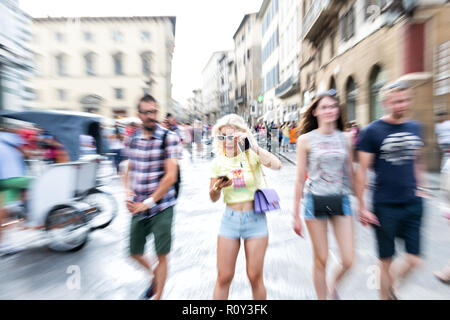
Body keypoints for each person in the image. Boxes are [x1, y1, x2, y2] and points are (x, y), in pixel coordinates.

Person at [356, 81, 426, 300]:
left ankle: (388, 287)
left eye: (405, 100)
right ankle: (385, 294)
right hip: (385, 205)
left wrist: (421, 187)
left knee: (414, 260)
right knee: (386, 260)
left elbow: (417, 160)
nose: (401, 105)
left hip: (413, 203)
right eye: (396, 101)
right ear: (386, 102)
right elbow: (362, 172)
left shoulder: (415, 127)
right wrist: (362, 207)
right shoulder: (371, 132)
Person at [209, 114, 282, 300]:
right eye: (222, 136)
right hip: (230, 220)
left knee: (255, 276)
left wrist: (253, 146)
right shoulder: (218, 161)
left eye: (231, 135)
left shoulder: (252, 154)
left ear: (241, 135)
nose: (227, 140)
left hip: (255, 220)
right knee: (224, 277)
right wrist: (217, 187)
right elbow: (213, 197)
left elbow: (277, 165)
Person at [293, 89, 355, 300]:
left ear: (338, 111)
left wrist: (363, 204)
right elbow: (300, 178)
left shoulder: (346, 138)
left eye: (333, 106)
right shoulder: (305, 140)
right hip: (314, 201)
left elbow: (349, 172)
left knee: (348, 259)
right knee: (321, 258)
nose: (329, 110)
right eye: (324, 107)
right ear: (315, 112)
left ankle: (333, 284)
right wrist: (295, 214)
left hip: (341, 199)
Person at [123, 94, 183, 300]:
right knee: (134, 252)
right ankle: (155, 277)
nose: (151, 116)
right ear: (139, 115)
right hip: (138, 205)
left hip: (162, 206)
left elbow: (170, 176)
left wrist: (147, 202)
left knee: (161, 254)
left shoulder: (169, 137)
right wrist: (127, 190)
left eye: (154, 112)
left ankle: (158, 296)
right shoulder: (132, 138)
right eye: (146, 112)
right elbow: (128, 167)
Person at [0, 125, 32, 255]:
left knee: (6, 210)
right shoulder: (10, 143)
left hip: (8, 180)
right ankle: (3, 243)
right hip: (10, 179)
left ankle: (4, 243)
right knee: (5, 210)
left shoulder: (7, 143)